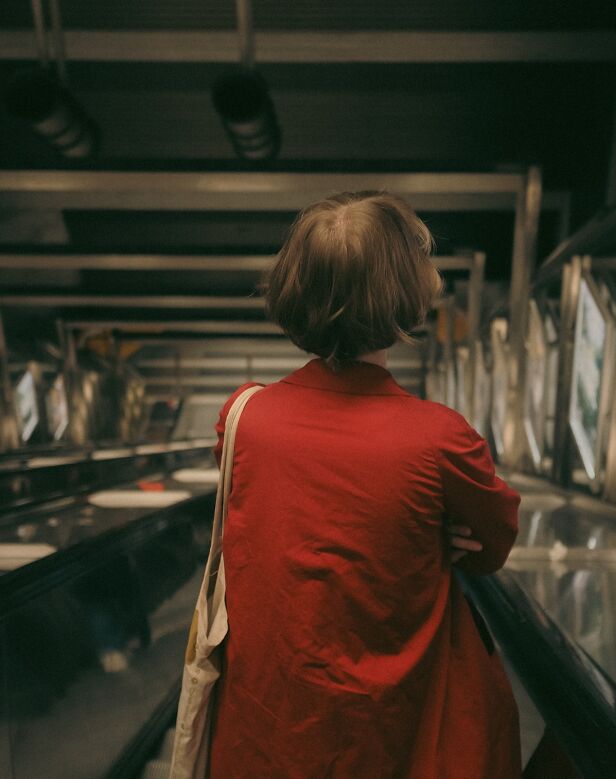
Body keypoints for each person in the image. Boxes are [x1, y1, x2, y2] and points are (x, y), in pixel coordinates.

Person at [208, 191, 522, 778]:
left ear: (291, 288)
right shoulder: (441, 440)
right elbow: (492, 547)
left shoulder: (242, 418)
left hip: (268, 727)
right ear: (408, 293)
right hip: (391, 733)